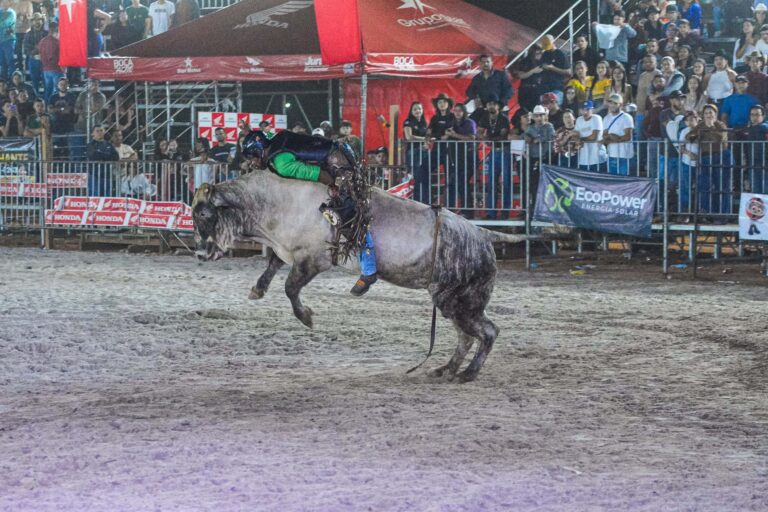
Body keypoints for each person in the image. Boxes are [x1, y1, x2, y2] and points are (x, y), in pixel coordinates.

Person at [239, 123, 378, 296]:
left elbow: (314, 172)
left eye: (252, 157)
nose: (252, 163)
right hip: (336, 154)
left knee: (348, 215)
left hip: (338, 163)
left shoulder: (281, 163)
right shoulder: (276, 142)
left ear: (259, 151)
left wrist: (334, 186)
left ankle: (369, 271)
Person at [686, 104, 732, 216]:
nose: (708, 115)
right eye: (706, 113)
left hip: (720, 156)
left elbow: (721, 138)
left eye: (711, 112)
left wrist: (710, 128)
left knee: (721, 186)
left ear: (715, 114)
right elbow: (689, 137)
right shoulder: (701, 125)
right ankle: (705, 212)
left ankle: (722, 214)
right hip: (705, 157)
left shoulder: (720, 124)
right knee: (704, 186)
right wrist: (697, 135)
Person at [476, 93, 511, 219]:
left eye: (494, 104)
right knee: (491, 183)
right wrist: (484, 138)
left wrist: (487, 138)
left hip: (504, 151)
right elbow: (478, 132)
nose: (491, 106)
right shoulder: (485, 118)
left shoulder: (503, 118)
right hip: (493, 152)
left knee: (506, 183)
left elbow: (503, 136)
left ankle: (505, 212)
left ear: (498, 106)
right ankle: (491, 213)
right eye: (489, 103)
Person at [525, 104, 555, 207]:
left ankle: (546, 207)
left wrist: (538, 139)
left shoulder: (549, 126)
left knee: (547, 184)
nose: (539, 118)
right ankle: (535, 207)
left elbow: (551, 137)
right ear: (533, 117)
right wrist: (528, 138)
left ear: (544, 116)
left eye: (541, 115)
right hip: (534, 159)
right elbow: (525, 137)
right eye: (536, 116)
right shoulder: (530, 128)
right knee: (534, 184)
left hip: (547, 158)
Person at [402, 101, 430, 204]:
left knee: (425, 177)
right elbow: (409, 137)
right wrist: (424, 139)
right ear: (411, 111)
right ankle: (416, 202)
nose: (417, 111)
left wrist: (426, 143)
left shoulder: (424, 123)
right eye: (415, 109)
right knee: (416, 177)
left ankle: (425, 202)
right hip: (413, 152)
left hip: (424, 152)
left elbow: (428, 137)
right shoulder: (408, 122)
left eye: (419, 108)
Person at [602, 93, 634, 175]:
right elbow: (604, 137)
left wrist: (612, 138)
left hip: (625, 155)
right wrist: (612, 137)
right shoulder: (606, 118)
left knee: (624, 180)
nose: (612, 105)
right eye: (610, 102)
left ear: (620, 105)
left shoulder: (626, 117)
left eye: (615, 103)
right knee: (612, 180)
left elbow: (628, 136)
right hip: (611, 154)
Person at [739, 104, 768, 193]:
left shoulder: (764, 127)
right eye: (752, 114)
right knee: (756, 191)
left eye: (757, 114)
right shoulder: (748, 129)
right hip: (753, 164)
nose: (754, 117)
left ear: (763, 116)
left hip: (766, 163)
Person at [86, 125, 119, 197]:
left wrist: (101, 155)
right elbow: (93, 156)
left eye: (101, 130)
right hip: (94, 175)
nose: (100, 132)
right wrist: (107, 155)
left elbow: (116, 157)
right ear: (92, 134)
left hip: (107, 175)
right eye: (97, 131)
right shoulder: (90, 145)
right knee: (95, 197)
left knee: (107, 197)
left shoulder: (109, 144)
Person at [37, 21, 62, 102]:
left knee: (48, 91)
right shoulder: (55, 42)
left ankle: (47, 109)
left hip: (46, 70)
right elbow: (52, 56)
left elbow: (40, 55)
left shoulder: (42, 41)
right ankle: (56, 110)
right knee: (58, 92)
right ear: (55, 29)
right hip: (56, 69)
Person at [22, 12, 46, 96]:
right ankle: (35, 96)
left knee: (46, 80)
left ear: (42, 21)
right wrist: (34, 52)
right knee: (34, 80)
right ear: (32, 22)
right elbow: (25, 49)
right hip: (33, 60)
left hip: (44, 61)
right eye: (35, 20)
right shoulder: (28, 34)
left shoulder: (46, 34)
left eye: (39, 19)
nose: (37, 22)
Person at [575, 100, 604, 171]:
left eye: (588, 109)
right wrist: (576, 139)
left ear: (592, 110)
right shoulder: (579, 120)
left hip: (597, 157)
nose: (585, 112)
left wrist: (580, 140)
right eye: (583, 109)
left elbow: (594, 137)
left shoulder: (597, 118)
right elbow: (576, 135)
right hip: (583, 158)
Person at [0, 0, 16, 81]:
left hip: (9, 40)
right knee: (2, 62)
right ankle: (3, 80)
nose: (4, 4)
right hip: (0, 41)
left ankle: (12, 80)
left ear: (9, 3)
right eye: (2, 2)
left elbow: (4, 23)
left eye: (6, 2)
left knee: (10, 61)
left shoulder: (11, 13)